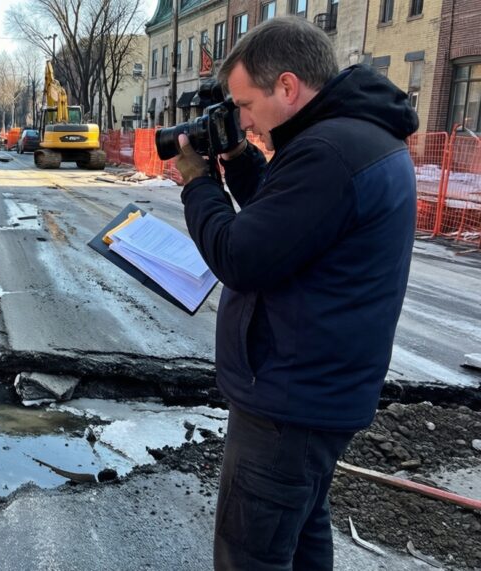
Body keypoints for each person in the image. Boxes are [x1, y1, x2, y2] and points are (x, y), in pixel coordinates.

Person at [173, 18, 417, 569]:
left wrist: (198, 183)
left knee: (250, 555)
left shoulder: (328, 151)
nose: (242, 117)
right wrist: (238, 162)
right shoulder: (353, 137)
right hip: (316, 392)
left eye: (245, 103)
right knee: (301, 537)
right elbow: (292, 223)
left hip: (289, 399)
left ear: (287, 87)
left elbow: (241, 254)